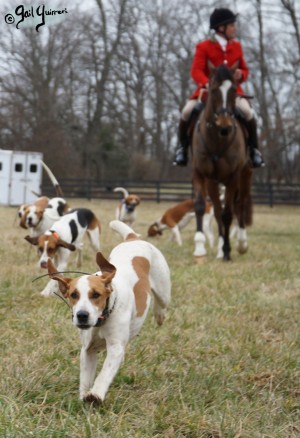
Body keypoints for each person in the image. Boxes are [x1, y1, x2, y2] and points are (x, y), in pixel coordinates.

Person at [173, 7, 265, 168]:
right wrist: (207, 84)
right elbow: (196, 71)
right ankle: (182, 149)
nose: (235, 28)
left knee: (249, 113)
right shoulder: (204, 46)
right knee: (186, 112)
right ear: (221, 28)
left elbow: (244, 70)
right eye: (232, 25)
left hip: (231, 94)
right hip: (208, 93)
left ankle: (254, 151)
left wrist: (240, 74)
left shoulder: (236, 47)